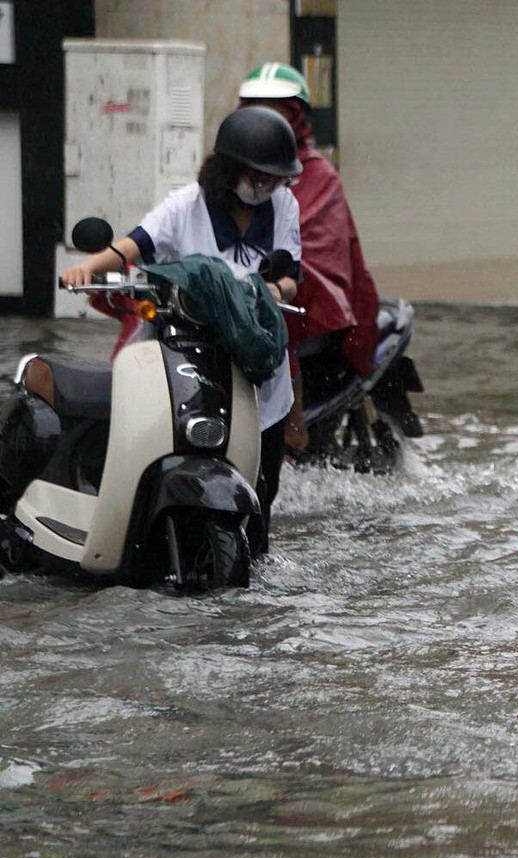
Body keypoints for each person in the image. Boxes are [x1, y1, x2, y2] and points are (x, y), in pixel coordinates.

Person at [60, 106, 303, 556]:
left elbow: (292, 274)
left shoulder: (285, 206)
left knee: (261, 495)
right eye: (258, 176)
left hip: (255, 366)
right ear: (230, 169)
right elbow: (134, 244)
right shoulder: (185, 206)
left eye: (275, 179)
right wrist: (86, 268)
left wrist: (269, 287)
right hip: (187, 356)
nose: (266, 186)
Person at [238, 61, 382, 450]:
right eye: (256, 107)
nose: (264, 118)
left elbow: (316, 247)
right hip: (238, 279)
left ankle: (291, 418)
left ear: (295, 117)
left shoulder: (316, 175)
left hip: (294, 295)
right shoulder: (226, 168)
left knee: (274, 307)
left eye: (276, 109)